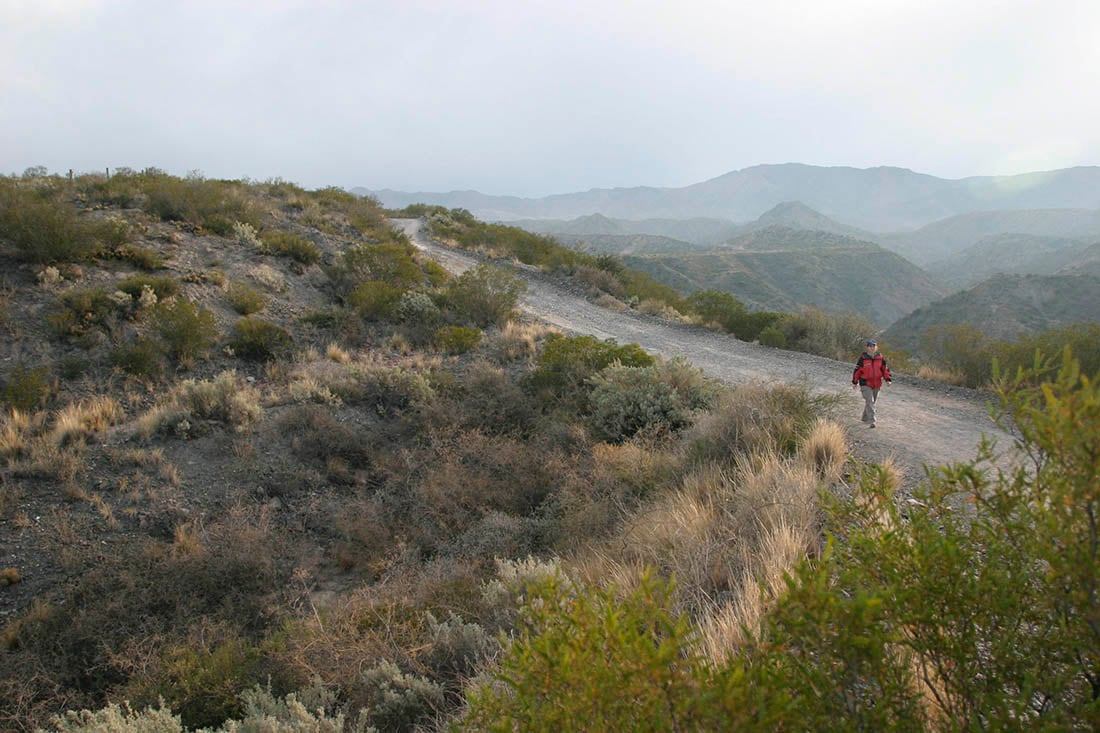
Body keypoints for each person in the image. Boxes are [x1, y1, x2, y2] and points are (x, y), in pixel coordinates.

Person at [852, 339, 891, 427]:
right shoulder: (863, 358)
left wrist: (888, 379)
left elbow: (885, 370)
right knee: (870, 401)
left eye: (874, 346)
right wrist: (854, 382)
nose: (872, 347)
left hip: (877, 383)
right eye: (870, 346)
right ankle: (872, 421)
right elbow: (857, 371)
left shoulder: (880, 358)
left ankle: (865, 418)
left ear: (876, 347)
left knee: (871, 402)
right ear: (867, 348)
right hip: (865, 383)